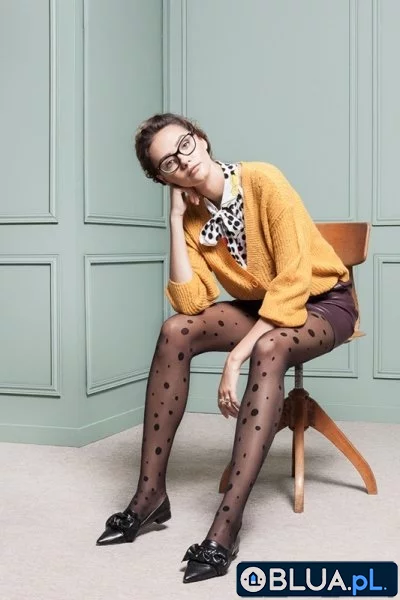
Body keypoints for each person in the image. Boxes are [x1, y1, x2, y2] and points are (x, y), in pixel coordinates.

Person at [96, 113, 358, 583]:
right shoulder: (193, 215)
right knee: (176, 329)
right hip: (262, 307)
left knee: (268, 347)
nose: (183, 161)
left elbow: (293, 283)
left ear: (200, 139)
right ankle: (150, 495)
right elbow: (191, 301)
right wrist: (176, 220)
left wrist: (236, 358)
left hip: (322, 303)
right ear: (164, 179)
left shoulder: (262, 180)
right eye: (168, 163)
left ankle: (226, 525)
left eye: (185, 145)